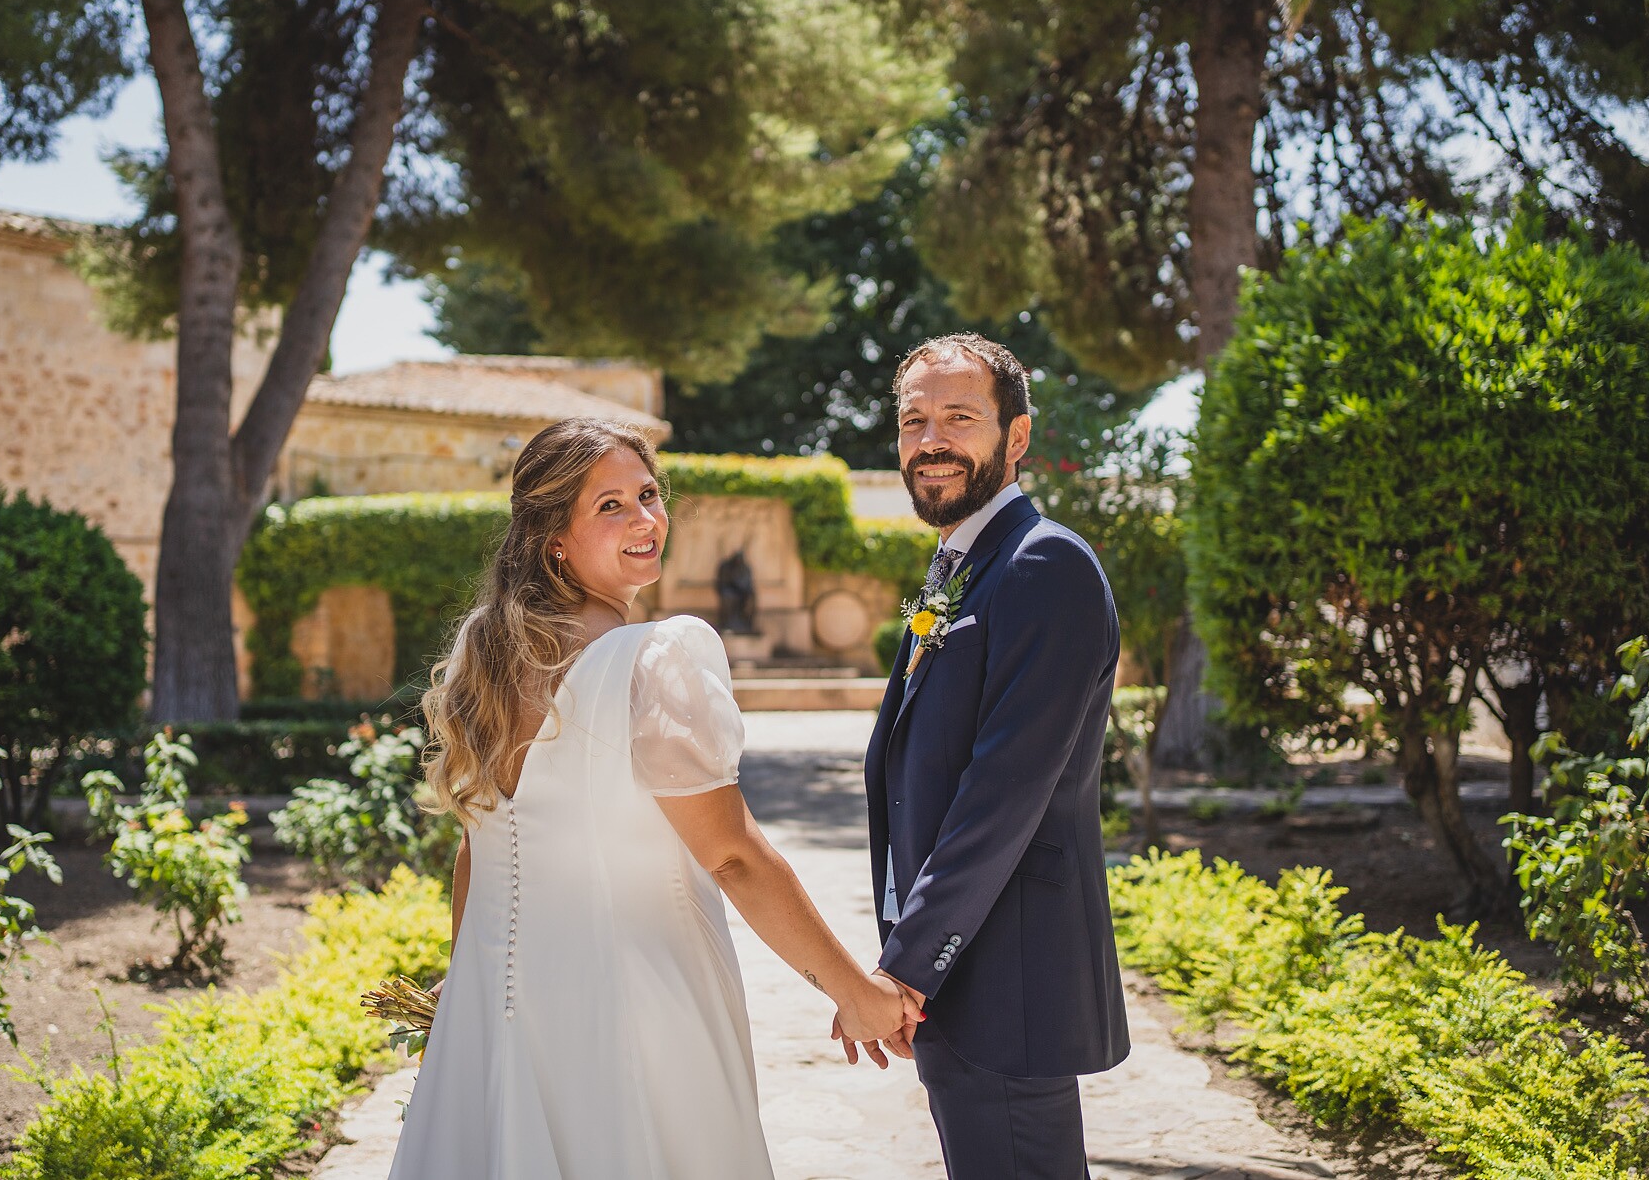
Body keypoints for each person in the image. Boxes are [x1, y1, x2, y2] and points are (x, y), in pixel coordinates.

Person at [388, 417, 920, 1180]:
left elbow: (476, 850)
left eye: (647, 495)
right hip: (638, 1012)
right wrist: (853, 988)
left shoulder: (482, 652)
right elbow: (732, 854)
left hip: (494, 1018)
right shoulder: (655, 659)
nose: (646, 520)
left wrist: (467, 976)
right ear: (554, 539)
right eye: (610, 505)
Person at [858, 333, 1130, 1179]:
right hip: (964, 973)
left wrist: (905, 967)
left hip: (1009, 972)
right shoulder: (961, 567)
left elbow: (1003, 794)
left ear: (1015, 437)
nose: (930, 439)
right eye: (914, 420)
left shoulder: (1043, 564)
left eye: (959, 417)